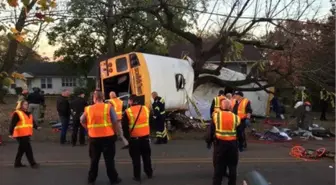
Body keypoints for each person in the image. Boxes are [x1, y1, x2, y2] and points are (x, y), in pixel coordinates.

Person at [80, 91, 122, 185]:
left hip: (94, 138)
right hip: (108, 137)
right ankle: (113, 179)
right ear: (103, 98)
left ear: (94, 99)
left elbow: (82, 120)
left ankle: (91, 179)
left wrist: (88, 129)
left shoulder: (88, 109)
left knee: (94, 160)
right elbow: (115, 121)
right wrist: (115, 133)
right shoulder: (108, 107)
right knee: (109, 160)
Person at [206, 99, 241, 185]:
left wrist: (209, 141)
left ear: (221, 107)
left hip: (220, 145)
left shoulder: (216, 116)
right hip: (232, 146)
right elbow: (240, 133)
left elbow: (211, 131)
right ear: (230, 107)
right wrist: (241, 143)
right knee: (232, 168)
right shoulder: (236, 118)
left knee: (218, 168)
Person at [122, 95, 153, 182]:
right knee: (147, 156)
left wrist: (127, 138)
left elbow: (124, 127)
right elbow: (150, 121)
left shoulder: (128, 112)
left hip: (134, 139)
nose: (128, 102)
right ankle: (149, 173)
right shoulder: (146, 109)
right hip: (145, 138)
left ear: (131, 101)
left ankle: (137, 176)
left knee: (136, 159)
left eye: (129, 101)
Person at [9, 100, 41, 169]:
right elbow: (12, 124)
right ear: (21, 105)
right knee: (28, 149)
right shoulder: (17, 113)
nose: (26, 105)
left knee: (21, 149)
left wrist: (36, 127)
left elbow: (32, 122)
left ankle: (17, 163)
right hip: (20, 134)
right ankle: (33, 163)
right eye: (25, 104)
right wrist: (11, 133)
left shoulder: (28, 113)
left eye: (27, 104)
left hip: (26, 134)